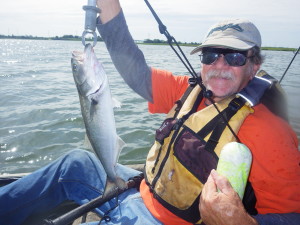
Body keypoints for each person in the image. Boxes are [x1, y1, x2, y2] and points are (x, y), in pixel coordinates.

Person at [0, 0, 299, 225]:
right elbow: (136, 71)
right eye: (210, 55)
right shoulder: (188, 89)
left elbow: (293, 214)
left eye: (234, 56)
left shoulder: (272, 134)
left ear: (254, 65)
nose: (220, 65)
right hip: (136, 190)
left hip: (157, 220)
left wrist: (242, 220)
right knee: (75, 163)